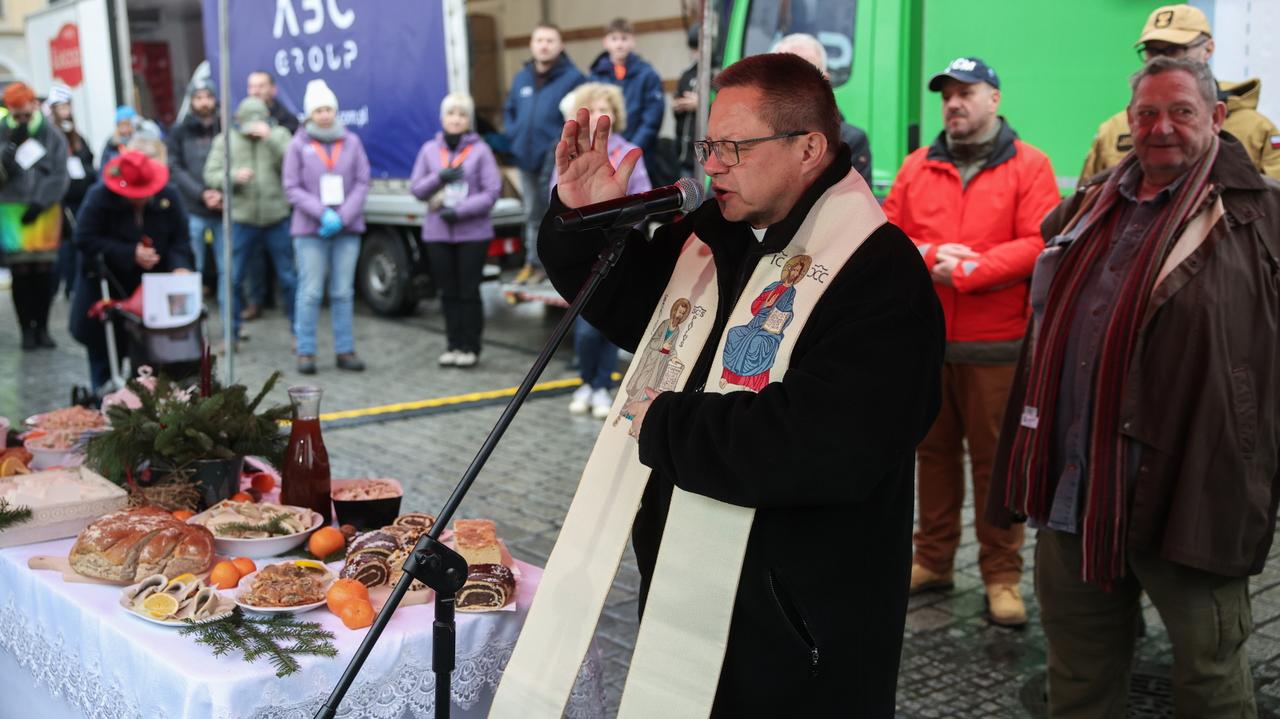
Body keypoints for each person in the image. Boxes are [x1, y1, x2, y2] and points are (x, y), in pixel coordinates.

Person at [523, 52, 945, 715]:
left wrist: (662, 421)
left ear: (808, 148)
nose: (711, 165)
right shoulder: (717, 232)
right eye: (707, 145)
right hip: (684, 594)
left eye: (733, 147)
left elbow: (823, 444)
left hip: (796, 627)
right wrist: (581, 222)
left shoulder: (881, 275)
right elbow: (636, 305)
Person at [989, 57, 1280, 717]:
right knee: (1079, 677)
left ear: (1213, 117)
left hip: (1195, 491)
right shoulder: (1090, 204)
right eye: (1146, 113)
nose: (1161, 128)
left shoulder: (1261, 215)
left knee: (1209, 680)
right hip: (1077, 493)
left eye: (1180, 111)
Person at [882, 56, 1061, 627]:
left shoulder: (1031, 166)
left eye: (966, 93)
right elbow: (885, 235)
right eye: (946, 95)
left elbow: (1041, 240)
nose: (954, 103)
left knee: (995, 467)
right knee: (931, 459)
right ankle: (932, 559)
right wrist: (932, 257)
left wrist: (968, 272)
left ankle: (1001, 575)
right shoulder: (915, 167)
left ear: (994, 100)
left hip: (997, 345)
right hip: (926, 344)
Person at [1080, 3, 1280, 182]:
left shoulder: (1257, 130)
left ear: (1208, 49)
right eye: (1152, 50)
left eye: (1174, 50)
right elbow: (1087, 206)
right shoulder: (1113, 129)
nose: (1161, 60)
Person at [551, 82, 651, 417]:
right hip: (584, 254)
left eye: (603, 109)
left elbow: (644, 197)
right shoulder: (570, 154)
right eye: (590, 109)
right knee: (584, 327)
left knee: (608, 326)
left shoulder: (628, 151)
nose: (597, 115)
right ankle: (586, 381)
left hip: (618, 250)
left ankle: (603, 385)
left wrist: (619, 223)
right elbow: (559, 199)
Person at [69, 151, 193, 389]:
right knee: (104, 356)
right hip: (107, 288)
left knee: (153, 365)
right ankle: (103, 398)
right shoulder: (99, 197)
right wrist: (129, 253)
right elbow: (84, 239)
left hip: (154, 294)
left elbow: (181, 239)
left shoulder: (170, 196)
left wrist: (180, 267)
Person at [283, 79, 371, 374]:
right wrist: (322, 214)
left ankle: (345, 350)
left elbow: (361, 182)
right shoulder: (298, 145)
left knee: (343, 292)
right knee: (309, 292)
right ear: (310, 114)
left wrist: (343, 216)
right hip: (310, 230)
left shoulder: (352, 142)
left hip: (347, 229)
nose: (324, 114)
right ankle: (305, 351)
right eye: (318, 110)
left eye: (328, 109)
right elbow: (291, 187)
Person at [409, 92, 501, 368]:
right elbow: (416, 189)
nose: (456, 119)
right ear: (442, 118)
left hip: (473, 233)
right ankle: (453, 344)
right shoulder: (429, 150)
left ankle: (471, 347)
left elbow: (491, 192)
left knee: (468, 291)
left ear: (468, 119)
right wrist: (439, 177)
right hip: (438, 233)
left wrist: (459, 211)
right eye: (451, 113)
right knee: (447, 292)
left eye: (462, 114)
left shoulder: (480, 150)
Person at [203, 97, 295, 350]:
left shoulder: (279, 135)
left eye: (259, 120)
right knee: (232, 278)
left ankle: (299, 334)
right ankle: (231, 335)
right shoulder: (225, 141)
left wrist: (271, 138)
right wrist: (232, 177)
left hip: (276, 217)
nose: (254, 127)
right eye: (248, 122)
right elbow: (210, 173)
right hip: (241, 220)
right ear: (238, 121)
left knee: (288, 278)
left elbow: (295, 163)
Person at [504, 23, 584, 286]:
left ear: (560, 46)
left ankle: (554, 267)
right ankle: (532, 263)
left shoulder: (573, 78)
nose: (544, 45)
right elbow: (510, 110)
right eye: (539, 40)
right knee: (531, 213)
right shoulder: (521, 77)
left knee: (555, 214)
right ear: (532, 45)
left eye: (550, 40)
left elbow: (579, 115)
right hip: (526, 159)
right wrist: (514, 135)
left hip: (556, 161)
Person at [0, 82, 70, 350]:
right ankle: (26, 330)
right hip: (11, 209)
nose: (21, 120)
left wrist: (41, 202)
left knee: (43, 270)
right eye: (15, 115)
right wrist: (7, 153)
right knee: (21, 271)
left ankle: (42, 326)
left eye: (25, 115)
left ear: (34, 106)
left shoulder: (51, 135)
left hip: (45, 210)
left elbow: (59, 174)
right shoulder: (3, 132)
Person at [772, 33, 872, 184]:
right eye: (781, 78)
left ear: (824, 83)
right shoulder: (748, 135)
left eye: (802, 77)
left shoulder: (849, 143)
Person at [166, 79, 222, 286]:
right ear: (191, 101)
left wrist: (220, 194)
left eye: (208, 97)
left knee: (228, 266)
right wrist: (201, 193)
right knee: (191, 263)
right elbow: (174, 167)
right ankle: (192, 311)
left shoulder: (224, 127)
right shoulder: (179, 131)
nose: (204, 102)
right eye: (199, 98)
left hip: (222, 207)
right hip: (192, 207)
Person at [589, 18, 665, 166]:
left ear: (632, 41)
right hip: (603, 154)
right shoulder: (595, 76)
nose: (619, 44)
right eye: (614, 39)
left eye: (624, 38)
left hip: (638, 153)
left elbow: (652, 119)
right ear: (605, 42)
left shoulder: (647, 74)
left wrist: (630, 150)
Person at [44, 84, 95, 299]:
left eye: (67, 106)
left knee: (79, 241)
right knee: (66, 244)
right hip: (62, 199)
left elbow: (88, 160)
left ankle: (76, 284)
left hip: (81, 196)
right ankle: (64, 285)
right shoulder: (50, 136)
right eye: (61, 107)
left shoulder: (76, 135)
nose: (65, 111)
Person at [671, 23, 701, 179]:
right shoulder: (687, 74)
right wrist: (677, 106)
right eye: (694, 48)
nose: (696, 53)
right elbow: (677, 101)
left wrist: (701, 106)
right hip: (685, 152)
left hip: (705, 153)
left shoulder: (716, 74)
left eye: (699, 48)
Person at [247, 70, 300, 134]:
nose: (256, 91)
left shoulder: (288, 121)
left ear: (273, 89)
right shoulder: (240, 119)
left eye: (261, 86)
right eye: (252, 87)